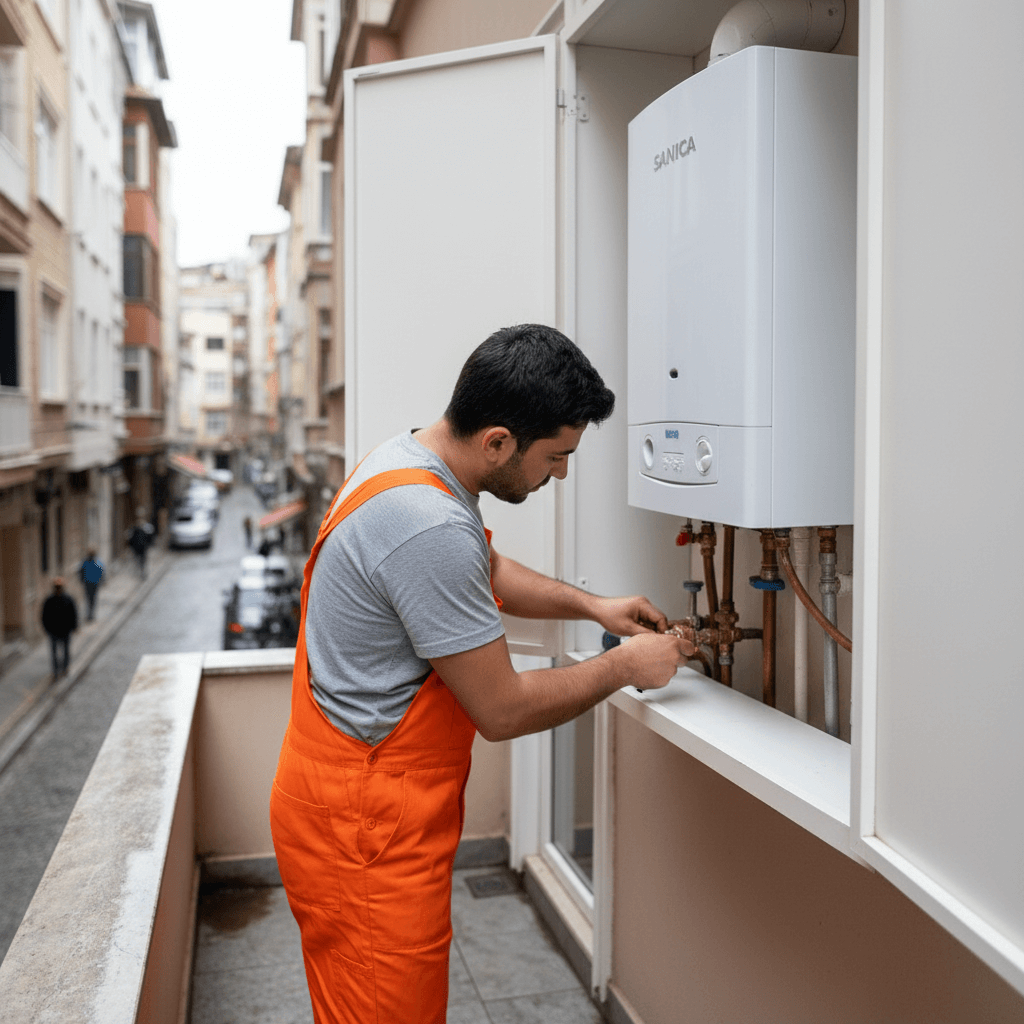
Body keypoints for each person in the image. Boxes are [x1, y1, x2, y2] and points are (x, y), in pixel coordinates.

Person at [270, 324, 692, 1024]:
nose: (560, 475)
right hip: (365, 833)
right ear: (498, 441)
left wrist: (594, 605)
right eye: (555, 457)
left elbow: (485, 568)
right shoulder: (426, 522)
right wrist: (623, 667)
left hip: (351, 807)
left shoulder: (410, 461)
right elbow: (501, 711)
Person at [41, 578, 78, 679]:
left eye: (59, 587)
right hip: (54, 631)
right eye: (57, 587)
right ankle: (56, 671)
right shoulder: (49, 600)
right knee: (55, 653)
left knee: (65, 651)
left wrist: (74, 626)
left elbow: (73, 614)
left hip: (65, 630)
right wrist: (46, 628)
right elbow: (44, 616)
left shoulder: (68, 599)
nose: (58, 589)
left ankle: (65, 668)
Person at [127, 509, 154, 578]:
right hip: (136, 547)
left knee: (143, 560)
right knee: (137, 560)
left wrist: (148, 545)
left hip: (143, 547)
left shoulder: (146, 527)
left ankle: (142, 572)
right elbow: (130, 537)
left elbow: (150, 537)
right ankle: (139, 572)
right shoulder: (134, 527)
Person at [79, 549, 104, 621]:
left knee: (89, 598)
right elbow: (102, 571)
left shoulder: (85, 561)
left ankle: (90, 614)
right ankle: (91, 614)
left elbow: (81, 571)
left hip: (89, 583)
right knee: (92, 599)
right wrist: (101, 580)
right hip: (93, 583)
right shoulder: (97, 561)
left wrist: (82, 580)